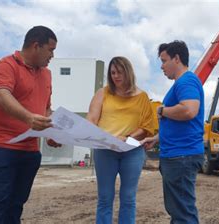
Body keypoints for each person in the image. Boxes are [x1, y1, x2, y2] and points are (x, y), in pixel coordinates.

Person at [0, 25, 61, 224]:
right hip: (1, 145)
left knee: (17, 203)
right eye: (50, 50)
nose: (52, 56)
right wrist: (28, 118)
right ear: (35, 46)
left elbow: (46, 108)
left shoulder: (46, 74)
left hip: (30, 149)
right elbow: (1, 96)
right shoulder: (6, 65)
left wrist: (51, 131)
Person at [141, 40, 205, 223]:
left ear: (176, 59)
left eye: (163, 60)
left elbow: (189, 110)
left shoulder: (187, 80)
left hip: (181, 156)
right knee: (178, 211)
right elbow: (180, 124)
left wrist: (162, 110)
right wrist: (157, 138)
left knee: (183, 213)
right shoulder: (182, 83)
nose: (161, 66)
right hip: (178, 156)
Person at [87, 56, 154, 224]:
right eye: (113, 73)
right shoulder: (103, 93)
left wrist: (128, 137)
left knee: (128, 198)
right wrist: (102, 136)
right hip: (105, 150)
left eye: (120, 72)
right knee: (105, 197)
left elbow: (146, 126)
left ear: (128, 71)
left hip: (132, 152)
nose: (116, 76)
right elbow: (92, 119)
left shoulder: (142, 97)